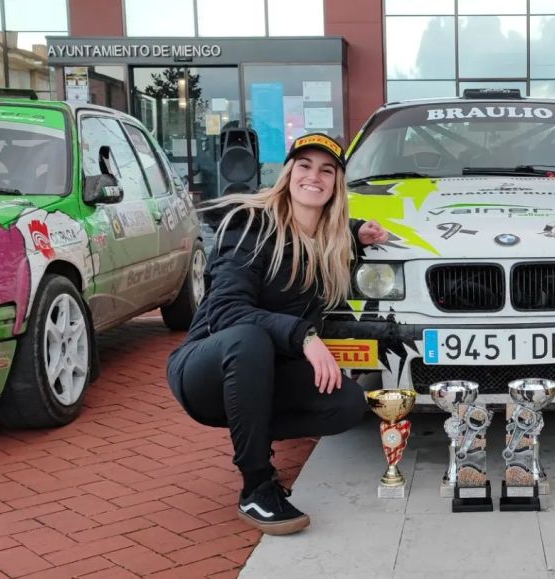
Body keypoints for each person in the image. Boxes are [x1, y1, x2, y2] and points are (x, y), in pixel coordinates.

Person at [166, 132, 388, 535]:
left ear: (336, 184)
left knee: (347, 403)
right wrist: (304, 336)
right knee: (248, 339)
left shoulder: (329, 238)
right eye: (304, 166)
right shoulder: (249, 225)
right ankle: (255, 487)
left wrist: (357, 232)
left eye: (327, 170)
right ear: (288, 173)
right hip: (208, 369)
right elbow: (226, 311)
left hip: (265, 373)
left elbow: (323, 230)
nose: (314, 176)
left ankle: (251, 426)